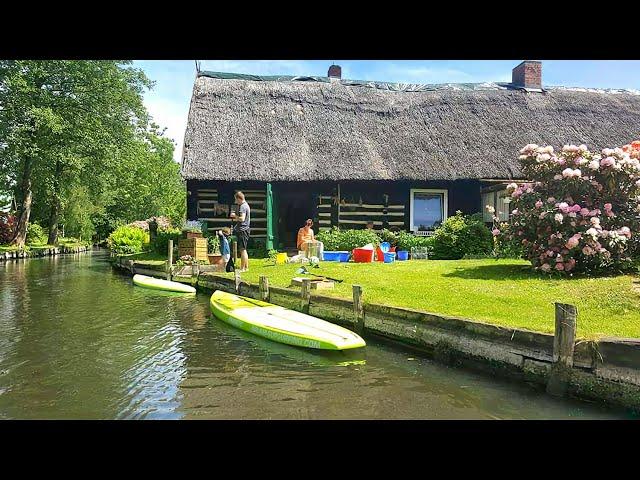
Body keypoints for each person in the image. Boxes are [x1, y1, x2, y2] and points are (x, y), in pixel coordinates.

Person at [230, 191, 250, 272]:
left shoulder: (243, 206)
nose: (235, 201)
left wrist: (235, 216)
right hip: (245, 229)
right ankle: (246, 267)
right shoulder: (246, 205)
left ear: (239, 198)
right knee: (244, 249)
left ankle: (242, 268)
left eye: (236, 199)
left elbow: (242, 218)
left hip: (243, 230)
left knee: (242, 250)